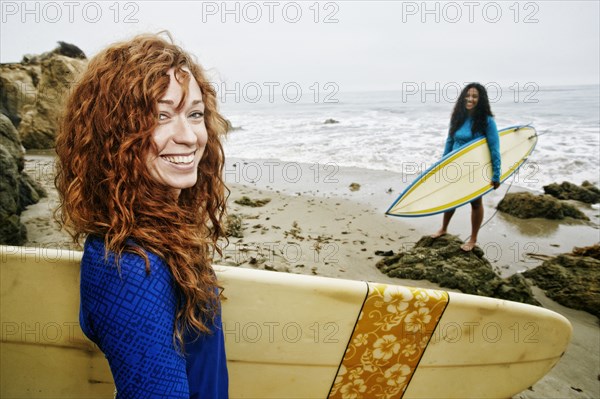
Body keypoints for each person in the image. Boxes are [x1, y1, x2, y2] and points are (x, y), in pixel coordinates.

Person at [55, 33, 229, 398]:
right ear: (114, 134)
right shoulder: (128, 264)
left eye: (194, 114)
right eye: (160, 116)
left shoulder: (159, 231)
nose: (189, 137)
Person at [431, 83, 501, 252]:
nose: (470, 99)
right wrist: (443, 163)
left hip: (474, 168)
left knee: (475, 203)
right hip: (455, 165)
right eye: (467, 95)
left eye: (475, 96)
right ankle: (443, 229)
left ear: (481, 99)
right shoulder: (457, 117)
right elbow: (449, 141)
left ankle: (473, 239)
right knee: (450, 198)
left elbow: (494, 147)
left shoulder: (486, 121)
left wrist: (496, 174)